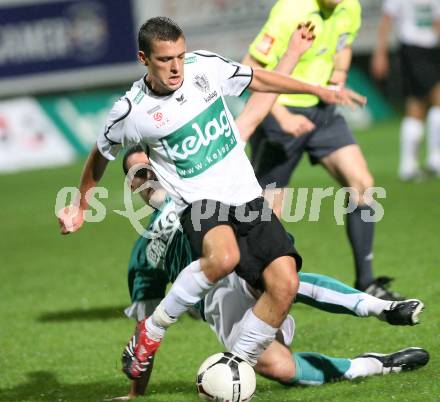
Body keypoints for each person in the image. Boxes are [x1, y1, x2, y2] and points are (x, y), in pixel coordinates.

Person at [57, 16, 366, 380]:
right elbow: (100, 154)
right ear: (143, 59)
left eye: (179, 56)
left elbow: (259, 81)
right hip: (202, 207)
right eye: (164, 59)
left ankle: (237, 365)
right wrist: (80, 205)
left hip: (249, 201)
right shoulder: (131, 111)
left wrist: (314, 85)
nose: (175, 67)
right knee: (223, 257)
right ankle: (151, 332)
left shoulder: (205, 67)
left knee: (287, 283)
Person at [116, 145, 427, 399]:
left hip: (239, 264)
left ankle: (382, 308)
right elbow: (145, 328)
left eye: (154, 165)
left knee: (279, 283)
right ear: (133, 183)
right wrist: (135, 394)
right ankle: (374, 365)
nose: (152, 176)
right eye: (142, 173)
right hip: (218, 307)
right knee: (280, 367)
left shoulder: (202, 192)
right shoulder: (144, 251)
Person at [242, 0, 403, 300]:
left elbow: (343, 45)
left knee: (362, 184)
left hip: (323, 112)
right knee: (266, 211)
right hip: (281, 115)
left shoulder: (348, 7)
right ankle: (233, 287)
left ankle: (366, 281)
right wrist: (283, 115)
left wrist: (337, 78)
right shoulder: (291, 10)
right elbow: (250, 67)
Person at [371, 0, 440, 180]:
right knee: (430, 99)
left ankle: (410, 165)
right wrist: (380, 53)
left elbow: (437, 21)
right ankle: (433, 159)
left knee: (417, 104)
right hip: (412, 50)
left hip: (432, 50)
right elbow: (386, 21)